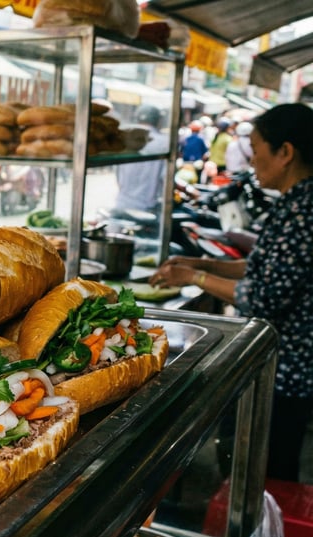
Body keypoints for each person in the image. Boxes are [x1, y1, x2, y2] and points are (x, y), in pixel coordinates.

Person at [149, 103, 313, 483]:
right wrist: (202, 265)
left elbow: (264, 296)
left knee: (263, 474)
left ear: (285, 153)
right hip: (287, 368)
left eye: (256, 148)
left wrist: (195, 278)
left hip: (284, 372)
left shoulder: (303, 210)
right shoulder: (296, 202)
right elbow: (262, 268)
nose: (251, 160)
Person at [115, 105, 168, 213]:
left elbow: (117, 174)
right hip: (146, 209)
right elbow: (166, 179)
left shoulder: (125, 139)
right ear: (158, 121)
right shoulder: (164, 143)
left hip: (121, 204)